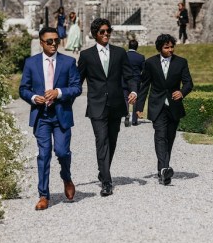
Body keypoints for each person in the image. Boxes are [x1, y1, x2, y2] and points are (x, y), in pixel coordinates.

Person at [19, 27, 82, 210]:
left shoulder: (68, 62)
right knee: (44, 155)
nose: (54, 44)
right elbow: (23, 89)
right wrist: (33, 97)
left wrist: (59, 92)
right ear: (41, 43)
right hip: (41, 116)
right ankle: (43, 195)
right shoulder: (31, 63)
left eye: (56, 40)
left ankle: (66, 177)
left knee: (62, 152)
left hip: (61, 114)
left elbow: (77, 88)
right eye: (49, 41)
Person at [77, 18, 138, 196]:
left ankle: (103, 170)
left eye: (108, 31)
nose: (106, 34)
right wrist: (64, 95)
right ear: (95, 33)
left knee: (112, 141)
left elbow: (130, 76)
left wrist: (133, 90)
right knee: (101, 140)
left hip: (116, 105)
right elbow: (77, 81)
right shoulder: (86, 55)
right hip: (96, 105)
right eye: (102, 31)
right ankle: (106, 181)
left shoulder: (120, 53)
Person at [136, 33, 193, 186]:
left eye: (172, 46)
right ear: (160, 48)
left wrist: (182, 92)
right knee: (160, 136)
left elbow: (188, 83)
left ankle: (162, 168)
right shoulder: (150, 63)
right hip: (157, 106)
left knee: (170, 138)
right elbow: (144, 86)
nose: (170, 50)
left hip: (174, 107)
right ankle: (165, 169)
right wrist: (139, 107)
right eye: (167, 47)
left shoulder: (181, 62)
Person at [124, 39, 145, 126]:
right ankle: (134, 120)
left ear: (129, 46)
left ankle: (126, 114)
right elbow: (144, 69)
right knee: (136, 99)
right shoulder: (140, 57)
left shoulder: (124, 55)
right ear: (137, 47)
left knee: (125, 98)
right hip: (136, 80)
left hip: (124, 79)